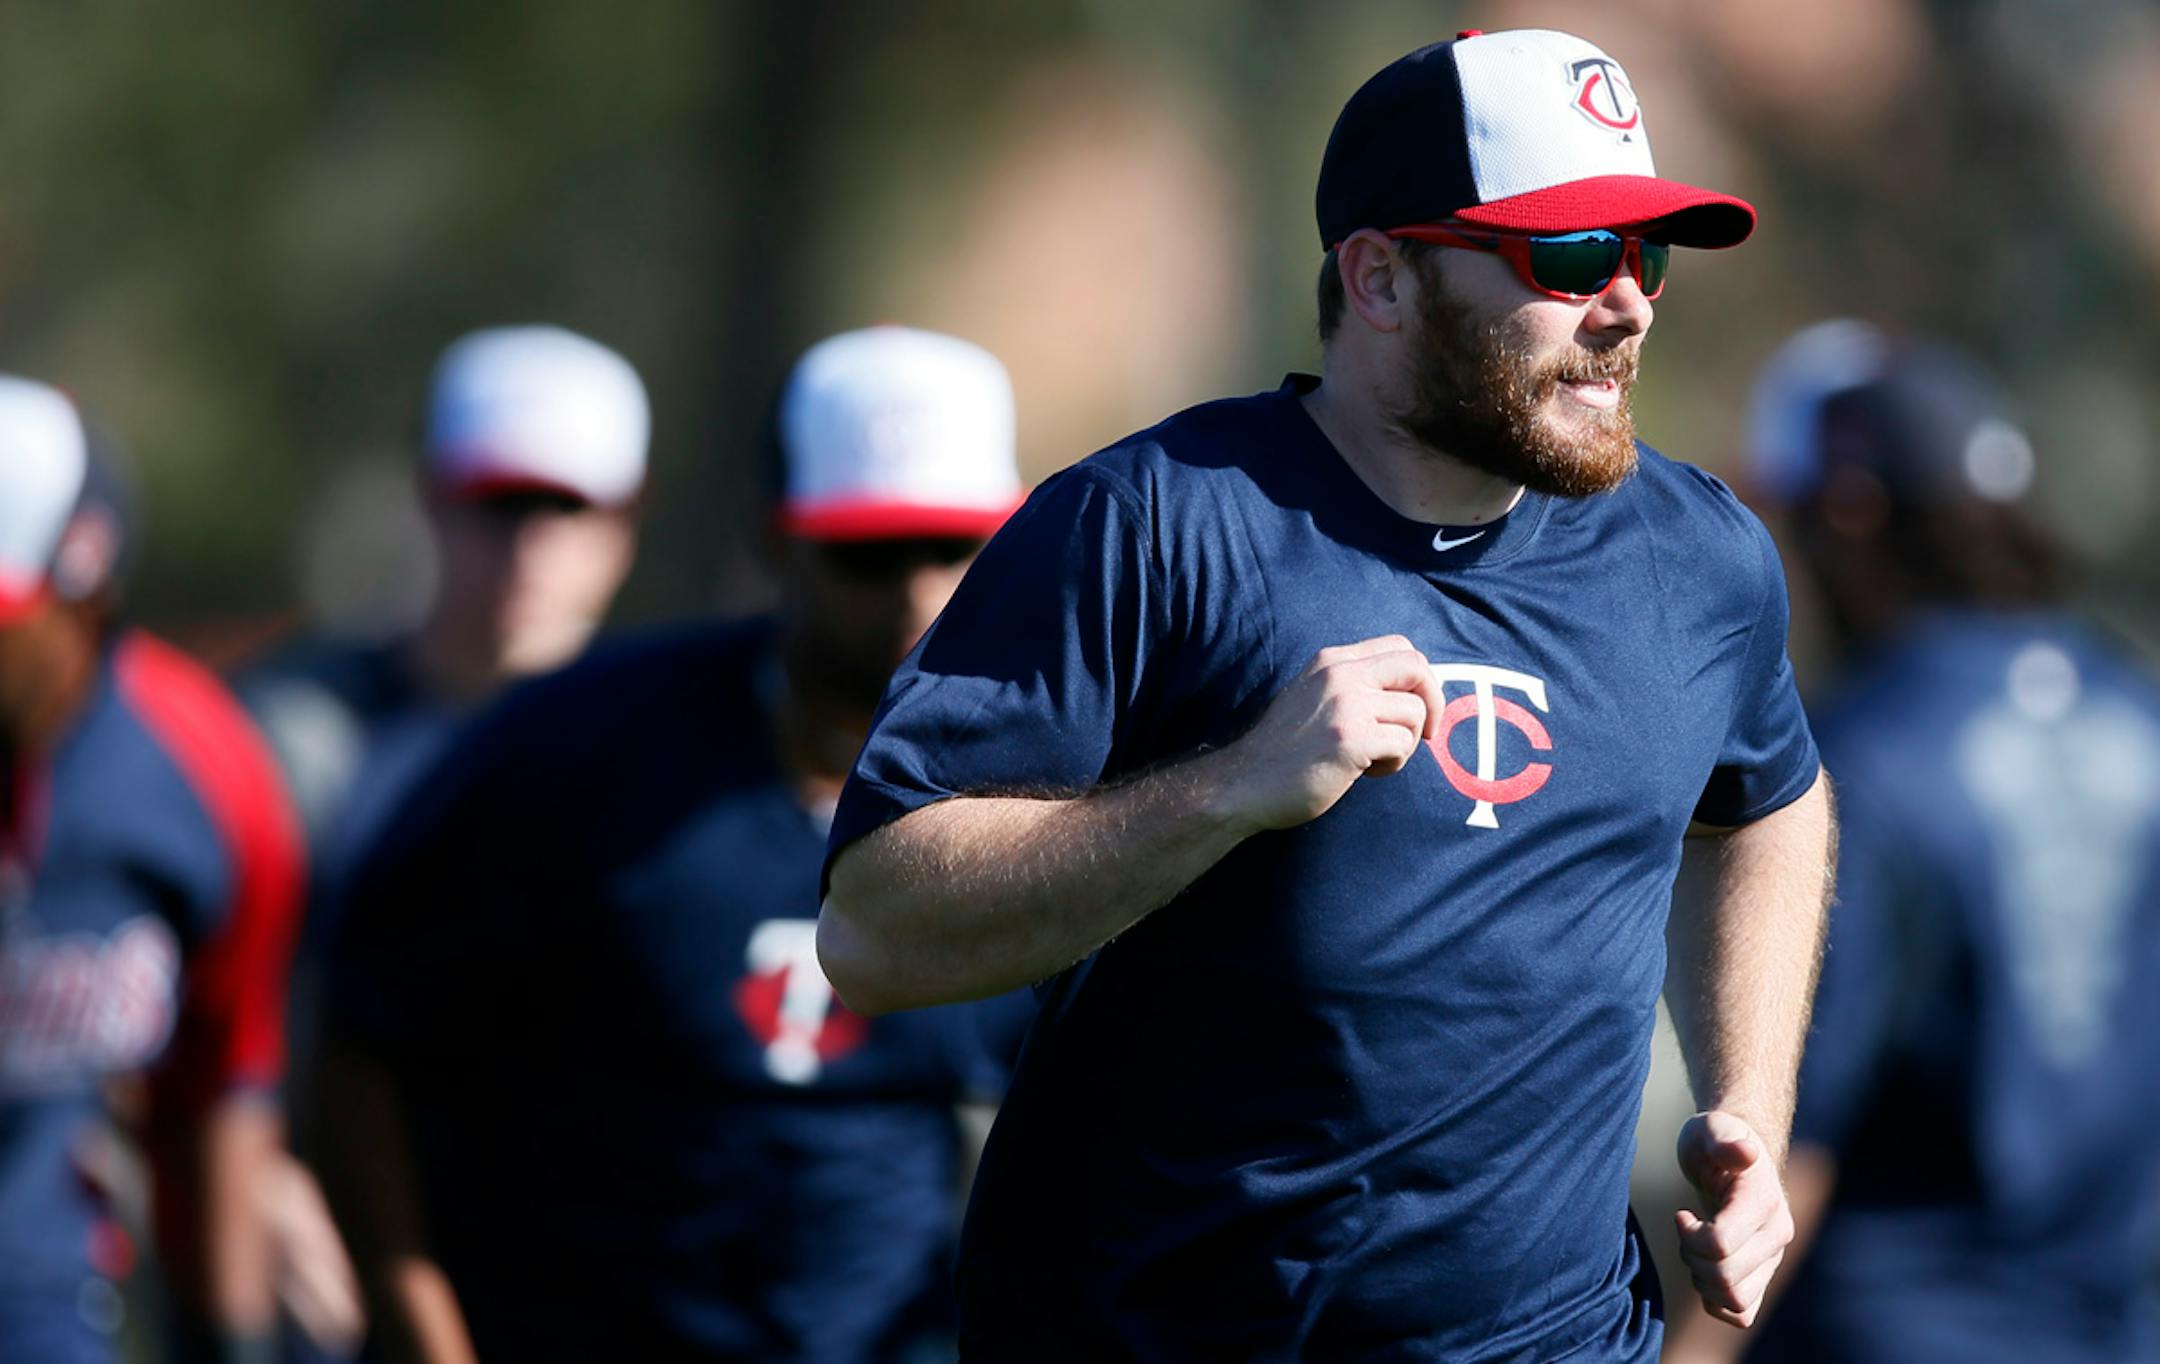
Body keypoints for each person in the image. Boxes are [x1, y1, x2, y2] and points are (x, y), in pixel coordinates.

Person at [818, 29, 1837, 1362]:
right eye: (1573, 257)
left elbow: (1769, 805)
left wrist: (1746, 1101)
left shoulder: (1699, 560)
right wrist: (1225, 793)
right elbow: (873, 932)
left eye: (1647, 255)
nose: (1630, 304)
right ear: (1381, 279)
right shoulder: (1148, 528)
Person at [316, 325, 1038, 1363]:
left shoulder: (1062, 793)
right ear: (776, 537)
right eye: (869, 551)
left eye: (954, 546)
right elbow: (361, 1030)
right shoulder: (571, 749)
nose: (916, 597)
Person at [1663, 321, 2160, 1363]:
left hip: (1886, 1325)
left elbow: (1788, 1141)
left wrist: (1685, 1353)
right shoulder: (2140, 715)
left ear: (1849, 516)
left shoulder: (1852, 761)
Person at [236, 324, 648, 1358]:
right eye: (498, 504)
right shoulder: (295, 739)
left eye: (568, 506)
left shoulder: (674, 757)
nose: (529, 546)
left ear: (625, 523)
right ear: (432, 498)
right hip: (329, 1284)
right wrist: (264, 1184)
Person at [0, 376, 305, 1362]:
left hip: (43, 1300)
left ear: (84, 595)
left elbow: (217, 1091)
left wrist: (232, 1341)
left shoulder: (202, 774)